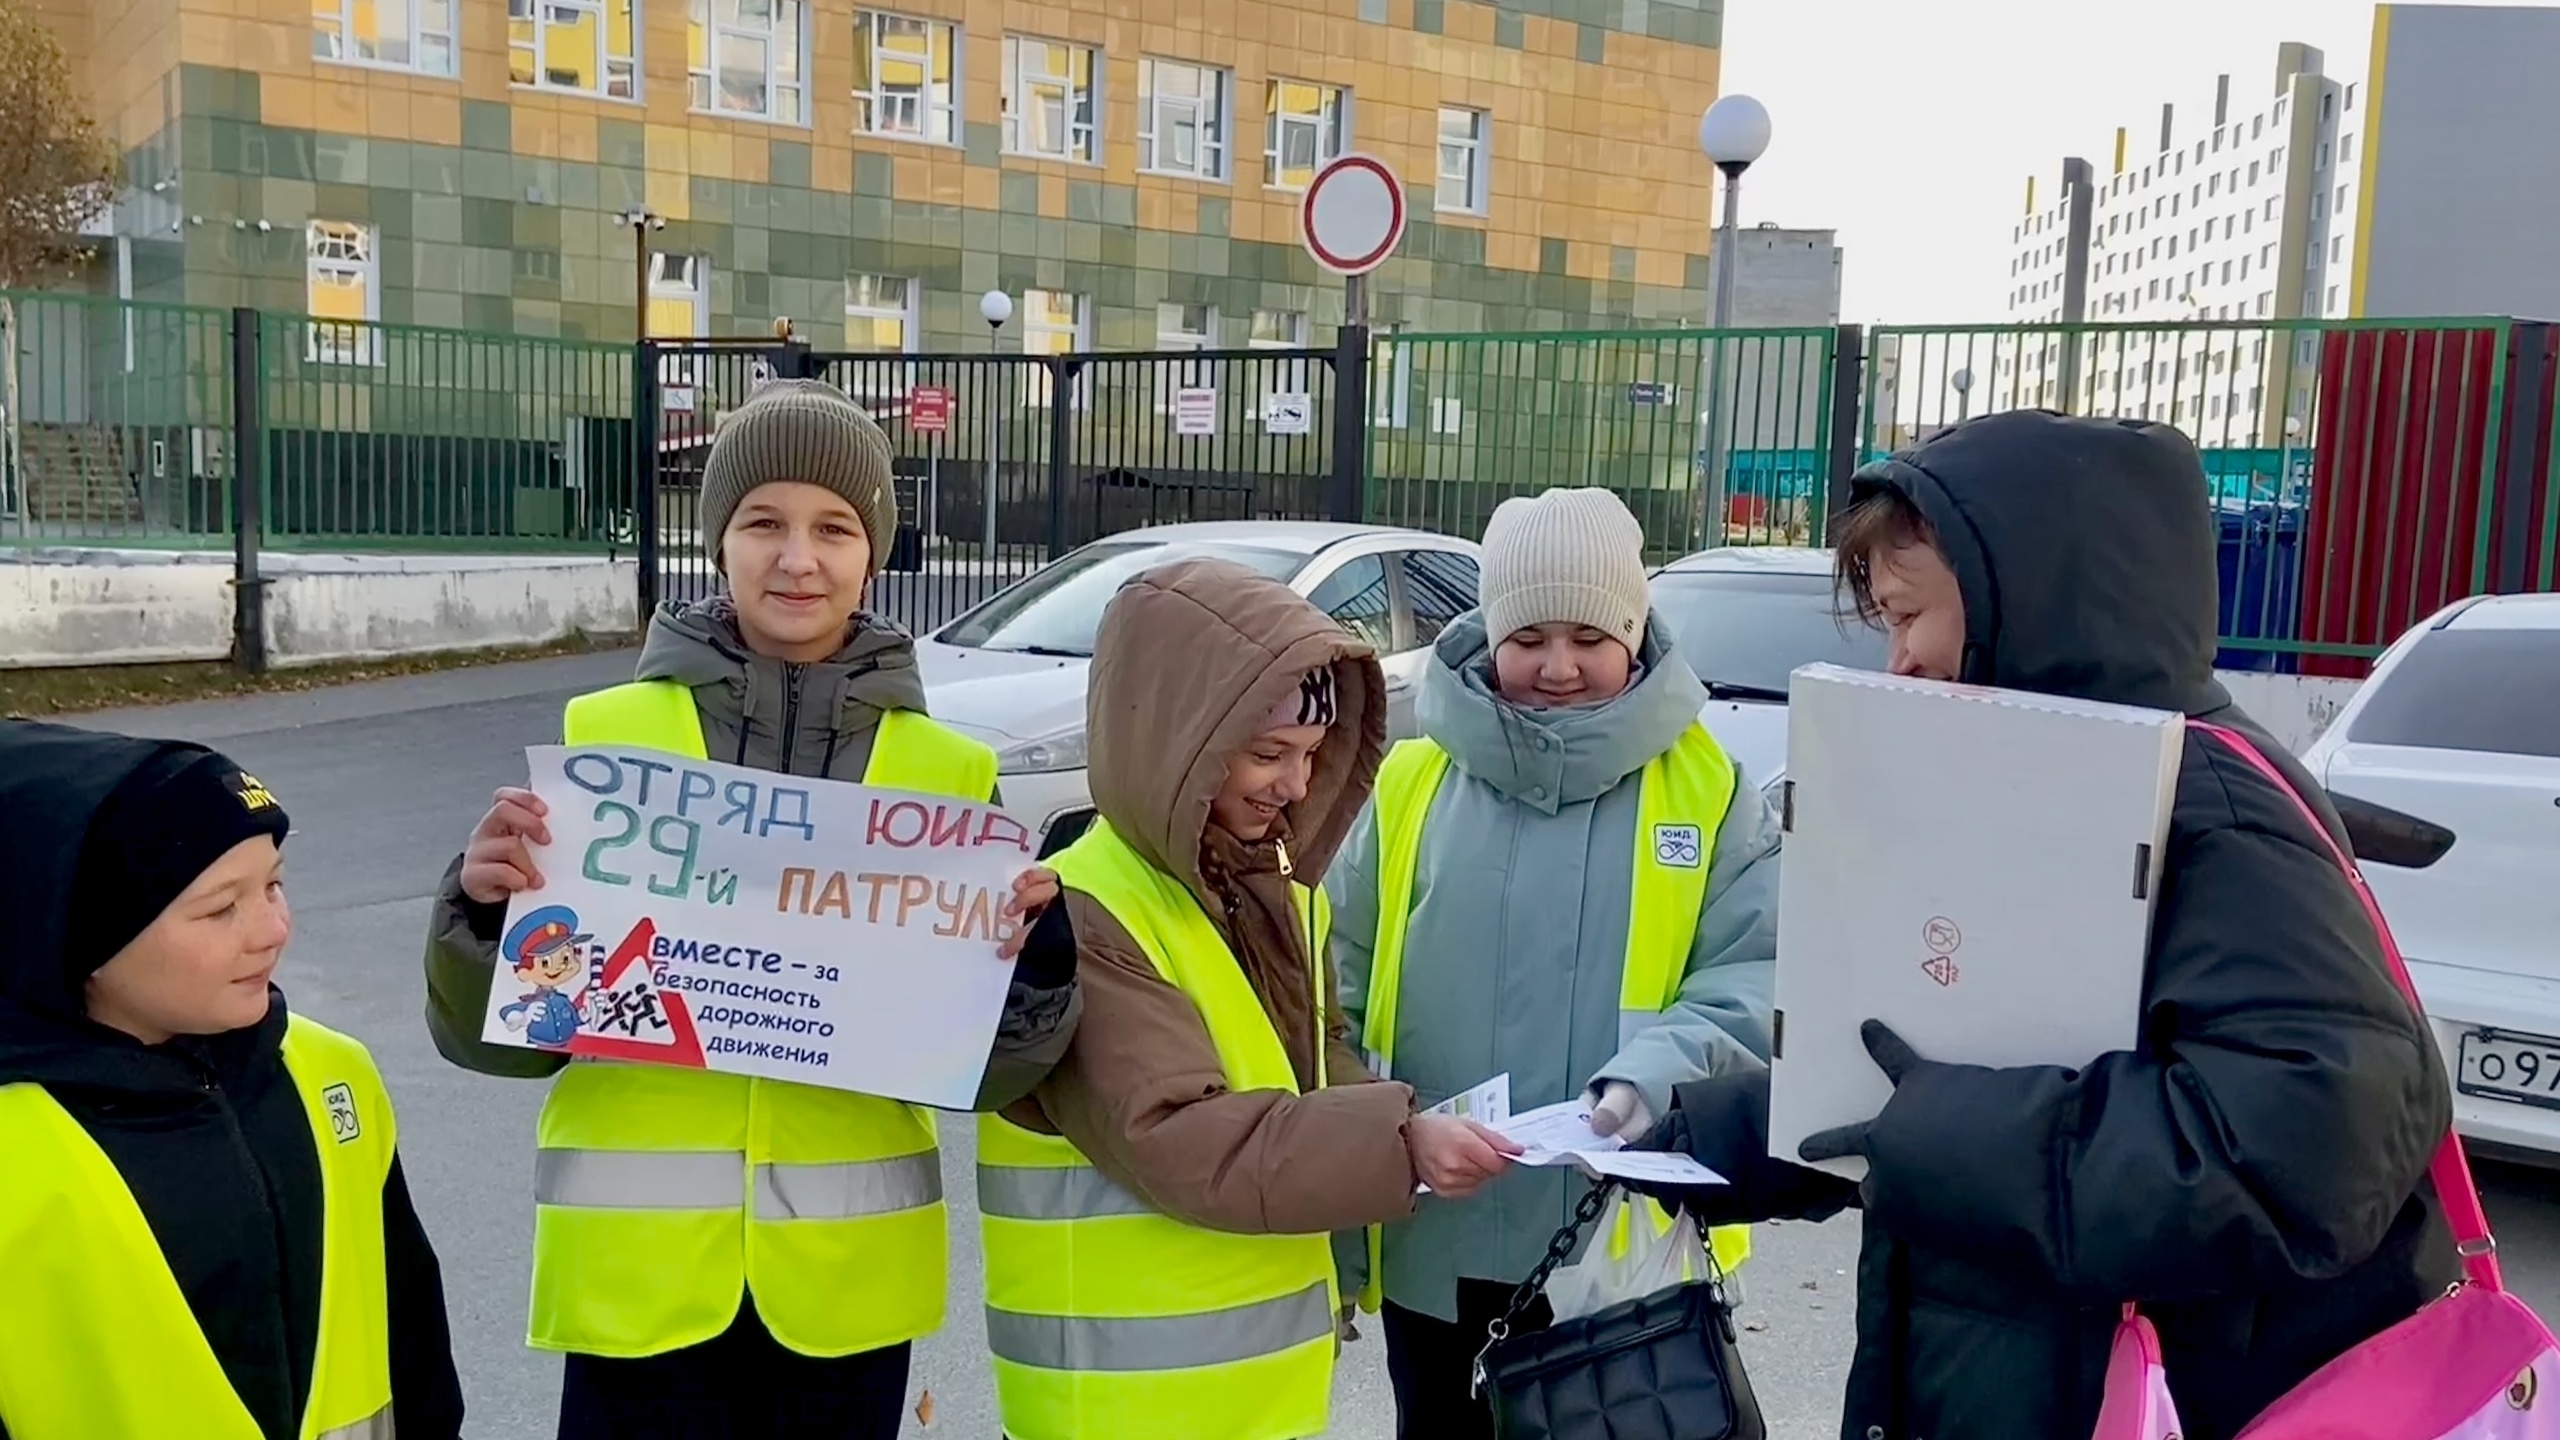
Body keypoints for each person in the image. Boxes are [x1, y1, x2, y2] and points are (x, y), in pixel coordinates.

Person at [1630, 410, 2457, 1440]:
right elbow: (1990, 1058)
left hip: (2161, 1398)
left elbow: (2301, 1154)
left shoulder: (2208, 808)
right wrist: (1752, 1128)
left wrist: (1921, 1135)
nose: (1899, 661)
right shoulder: (2047, 790)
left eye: (1907, 614)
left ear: (2033, 606)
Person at [422, 378, 1079, 1440]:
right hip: (636, 1290)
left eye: (833, 528)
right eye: (762, 522)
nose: (797, 557)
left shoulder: (948, 774)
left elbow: (986, 1074)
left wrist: (1036, 966)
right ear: (717, 539)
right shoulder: (609, 735)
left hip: (843, 1295)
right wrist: (486, 916)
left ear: (874, 553)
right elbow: (505, 1045)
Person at [976, 557, 1518, 1440]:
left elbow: (1318, 1053)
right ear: (1176, 745)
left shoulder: (1277, 896)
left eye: (1311, 755)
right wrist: (1401, 1143)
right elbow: (1185, 1137)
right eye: (1268, 754)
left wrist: (1404, 1116)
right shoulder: (1079, 913)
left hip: (1251, 1398)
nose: (1297, 787)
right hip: (1118, 1406)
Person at [1325, 486, 1780, 1439]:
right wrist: (1385, 1127)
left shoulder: (1709, 790)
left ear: (1635, 629)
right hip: (1435, 1237)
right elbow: (1338, 977)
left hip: (1621, 1244)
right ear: (1488, 632)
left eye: (1589, 635)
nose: (1559, 666)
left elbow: (1754, 975)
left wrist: (1646, 1085)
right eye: (1529, 635)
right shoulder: (1412, 780)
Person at [0, 721, 464, 1440]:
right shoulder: (17, 1143)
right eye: (223, 907)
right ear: (79, 936)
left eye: (273, 883)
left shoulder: (327, 1075)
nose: (273, 928)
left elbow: (414, 1353)